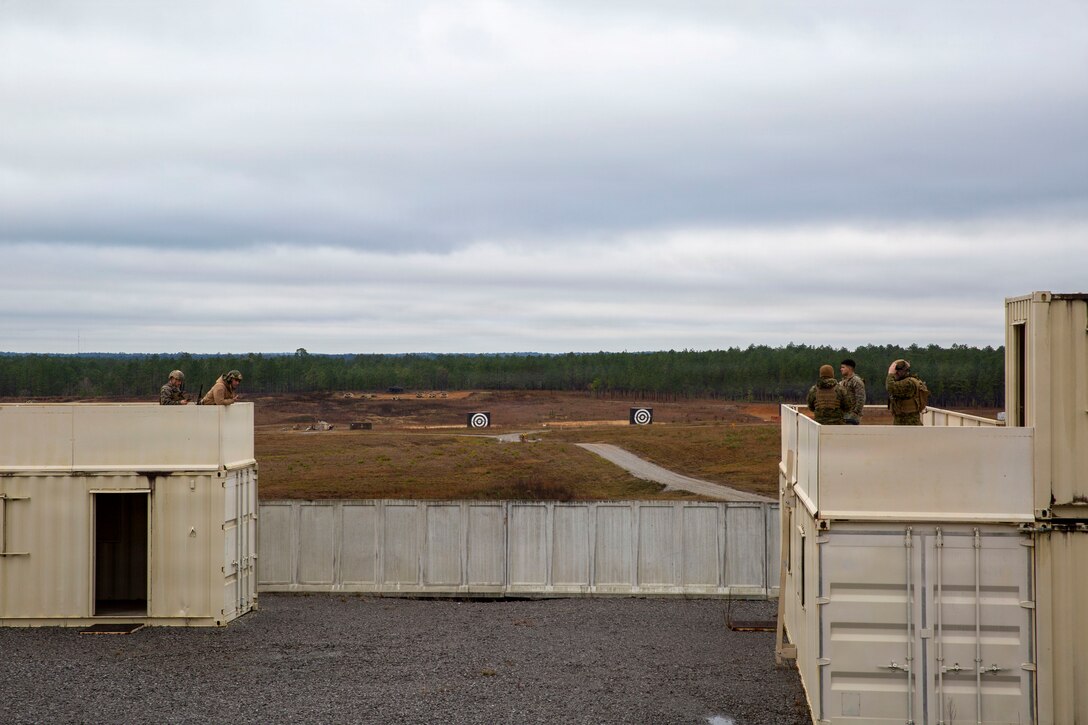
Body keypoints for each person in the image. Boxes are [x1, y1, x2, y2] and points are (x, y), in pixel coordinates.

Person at [886, 359, 927, 425]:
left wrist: (890, 374)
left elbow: (891, 387)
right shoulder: (911, 381)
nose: (894, 374)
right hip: (907, 421)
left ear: (902, 371)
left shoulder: (908, 383)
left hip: (907, 422)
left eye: (896, 371)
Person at [839, 358, 866, 425]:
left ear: (849, 368)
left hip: (852, 416)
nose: (841, 369)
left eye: (843, 367)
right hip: (844, 415)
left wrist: (855, 413)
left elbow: (861, 399)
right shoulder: (843, 382)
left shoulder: (856, 381)